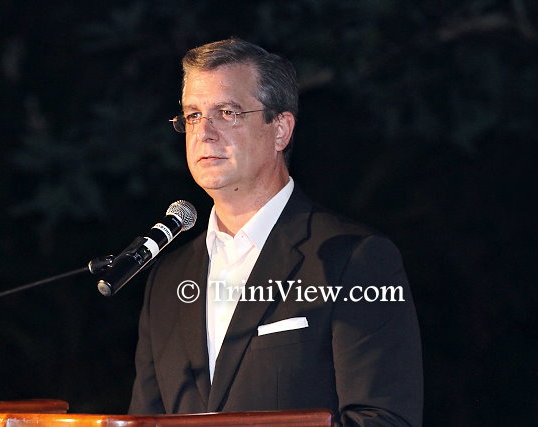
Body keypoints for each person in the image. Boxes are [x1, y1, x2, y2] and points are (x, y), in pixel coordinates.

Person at [128, 38, 423, 426]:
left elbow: (384, 420)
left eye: (227, 112)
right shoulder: (167, 279)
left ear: (280, 129)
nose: (204, 133)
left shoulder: (353, 259)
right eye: (193, 115)